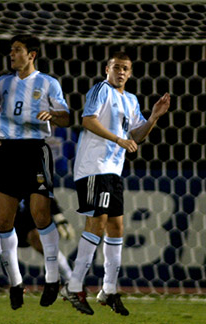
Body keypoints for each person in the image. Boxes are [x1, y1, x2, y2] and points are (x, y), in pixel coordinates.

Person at [61, 52, 171, 316]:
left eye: (126, 69)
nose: (121, 72)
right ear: (107, 69)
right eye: (117, 67)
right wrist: (118, 140)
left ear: (130, 73)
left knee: (116, 227)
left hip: (113, 170)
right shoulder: (101, 89)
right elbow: (88, 120)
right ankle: (74, 285)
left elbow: (136, 135)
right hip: (93, 168)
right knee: (97, 224)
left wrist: (154, 117)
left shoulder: (131, 100)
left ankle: (108, 289)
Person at [0, 34, 70, 310]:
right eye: (11, 51)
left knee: (41, 214)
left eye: (17, 51)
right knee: (3, 220)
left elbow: (66, 116)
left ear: (31, 55)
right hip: (6, 152)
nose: (12, 55)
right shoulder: (3, 83)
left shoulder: (48, 83)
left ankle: (52, 279)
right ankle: (16, 283)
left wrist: (53, 115)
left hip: (35, 151)